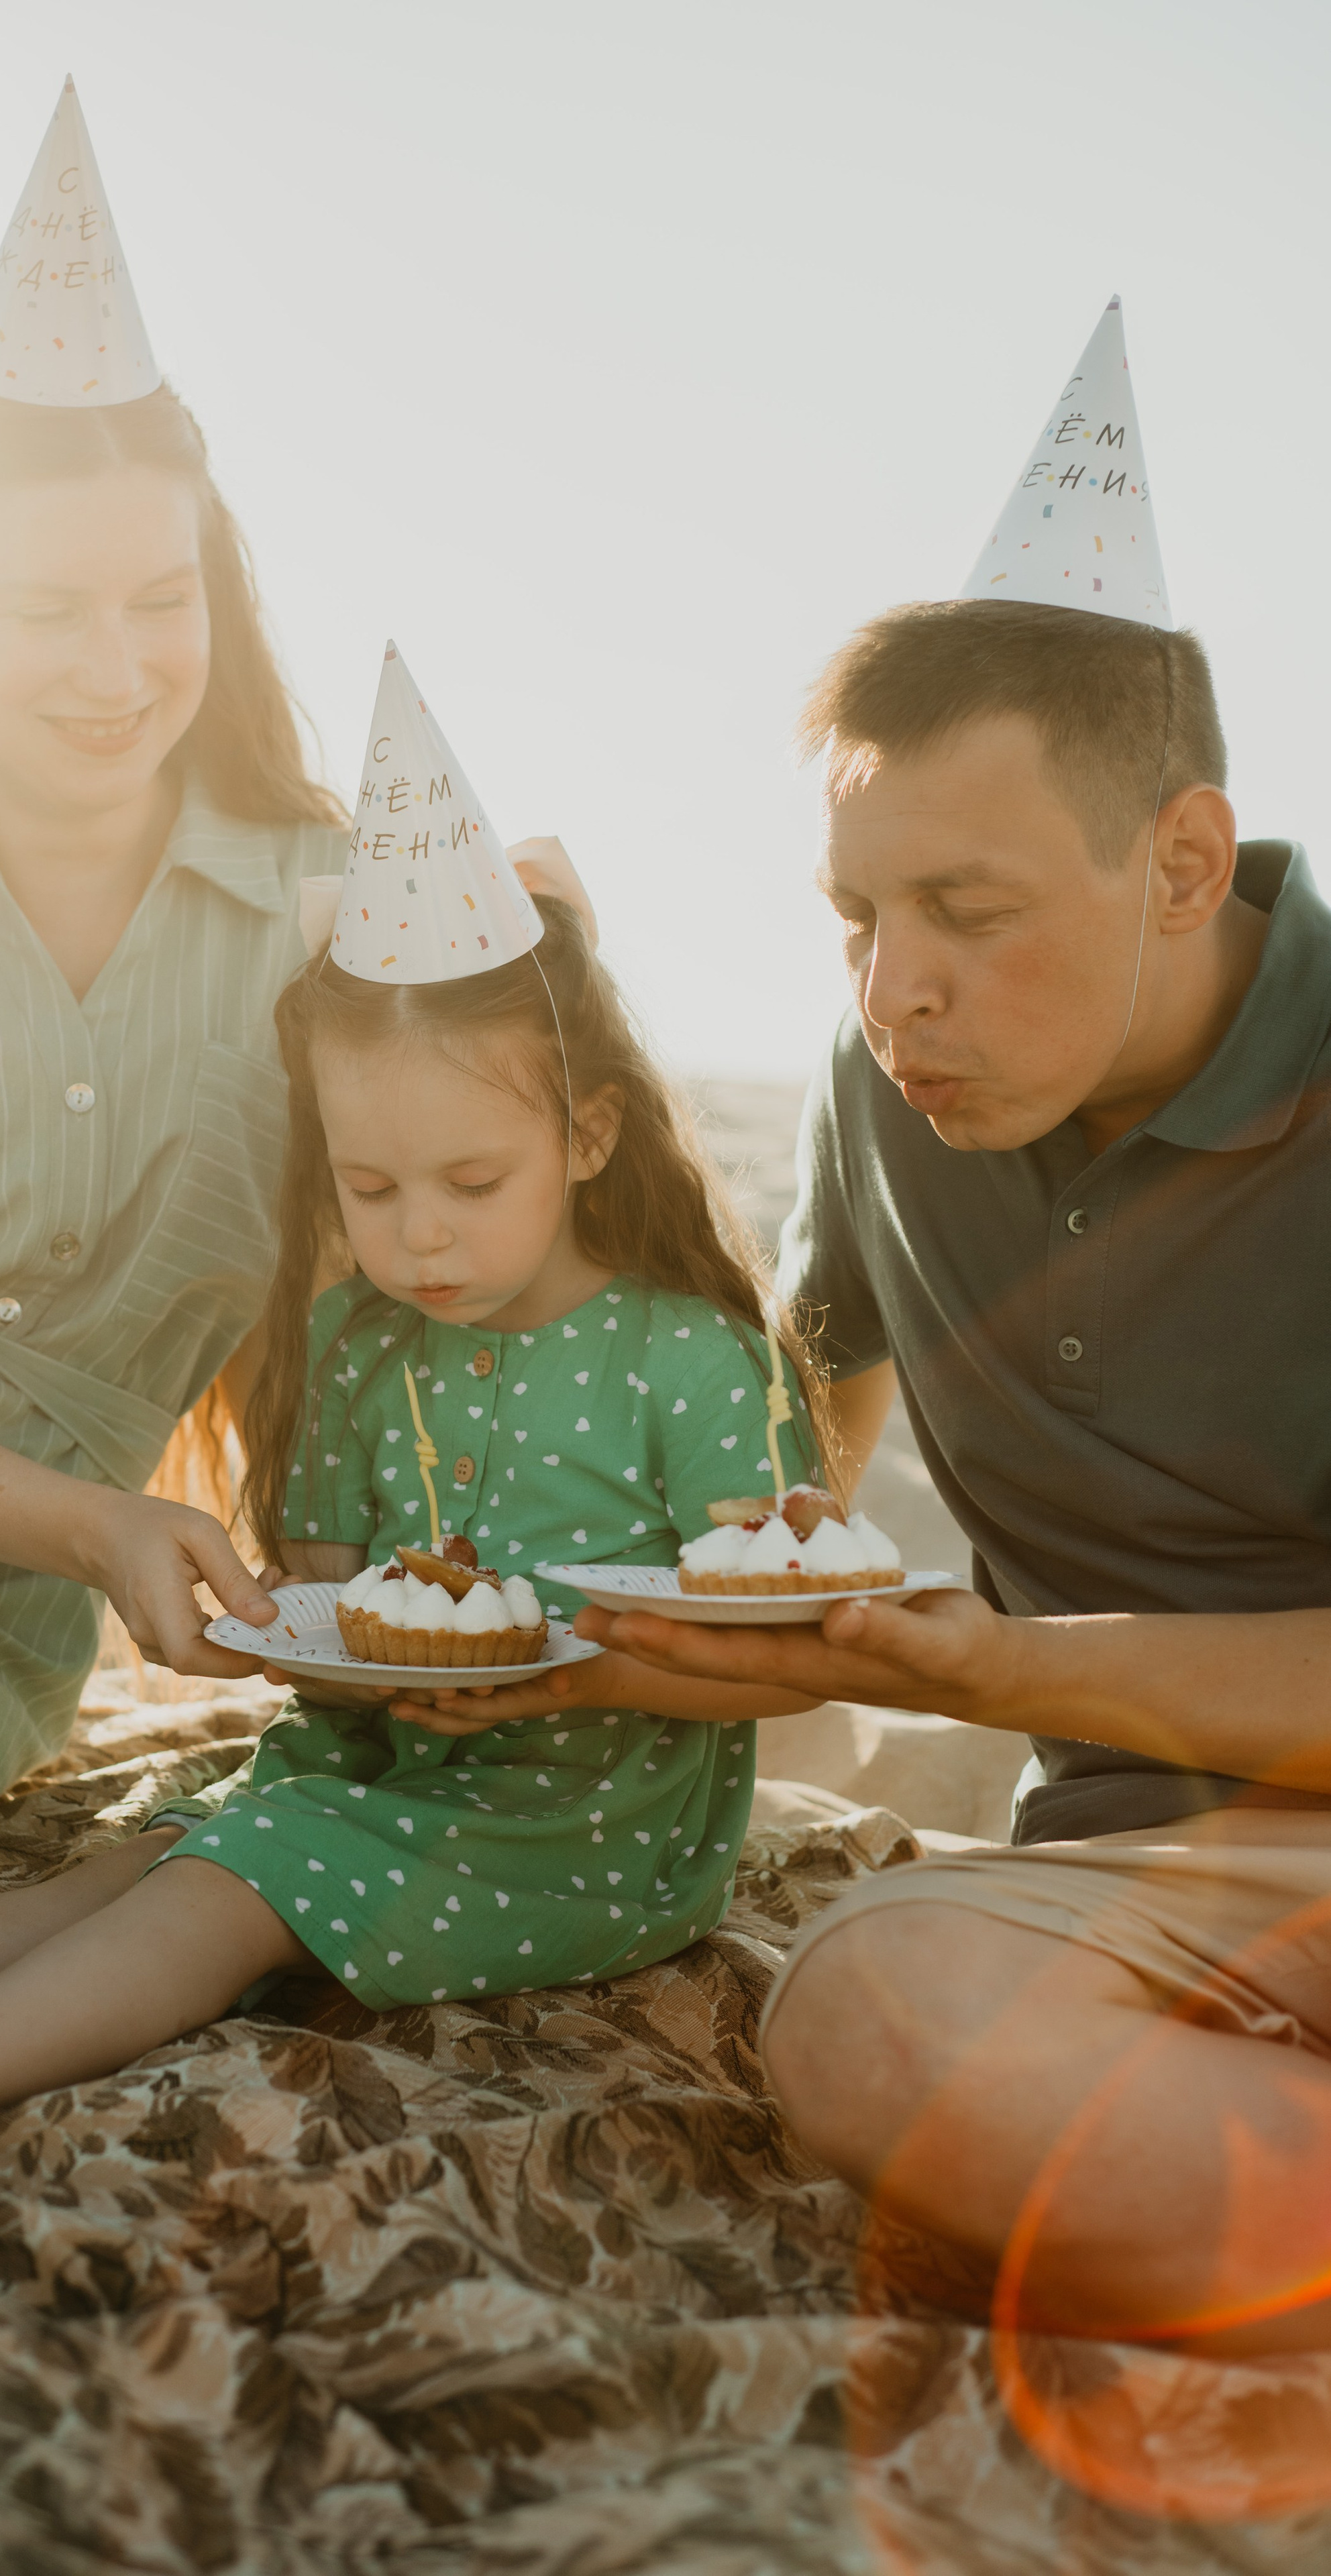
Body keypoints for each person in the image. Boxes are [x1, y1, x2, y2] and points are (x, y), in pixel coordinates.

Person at [0, 88, 583, 2001]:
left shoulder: (327, 917)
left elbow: (442, 1266)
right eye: (46, 608)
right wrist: (102, 1521)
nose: (118, 666)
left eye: (163, 601)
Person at [0, 689, 829, 2154]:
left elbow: (789, 1667)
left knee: (224, 1886)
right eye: (369, 1192)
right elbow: (323, 1599)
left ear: (585, 1137)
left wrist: (573, 1684)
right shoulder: (353, 1338)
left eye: (469, 1181)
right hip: (372, 1768)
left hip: (586, 1825)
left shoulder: (690, 1358)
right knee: (122, 1867)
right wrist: (280, 1628)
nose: (420, 1239)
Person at [574, 300, 1331, 2356]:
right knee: (864, 2011)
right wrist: (621, 1644)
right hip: (1135, 1898)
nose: (894, 987)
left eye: (969, 915)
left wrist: (1005, 1670)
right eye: (856, 915)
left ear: (1181, 861)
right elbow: (798, 1450)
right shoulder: (882, 1075)